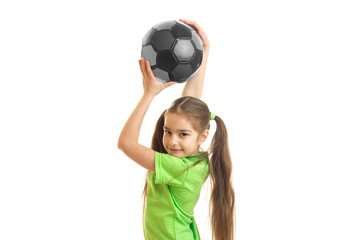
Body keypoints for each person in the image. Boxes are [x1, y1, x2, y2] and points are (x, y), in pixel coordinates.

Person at [118, 19, 235, 240]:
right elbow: (190, 107)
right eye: (167, 131)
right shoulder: (197, 162)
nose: (172, 142)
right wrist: (203, 53)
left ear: (203, 136)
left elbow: (126, 143)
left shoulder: (178, 168)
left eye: (183, 134)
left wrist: (148, 94)